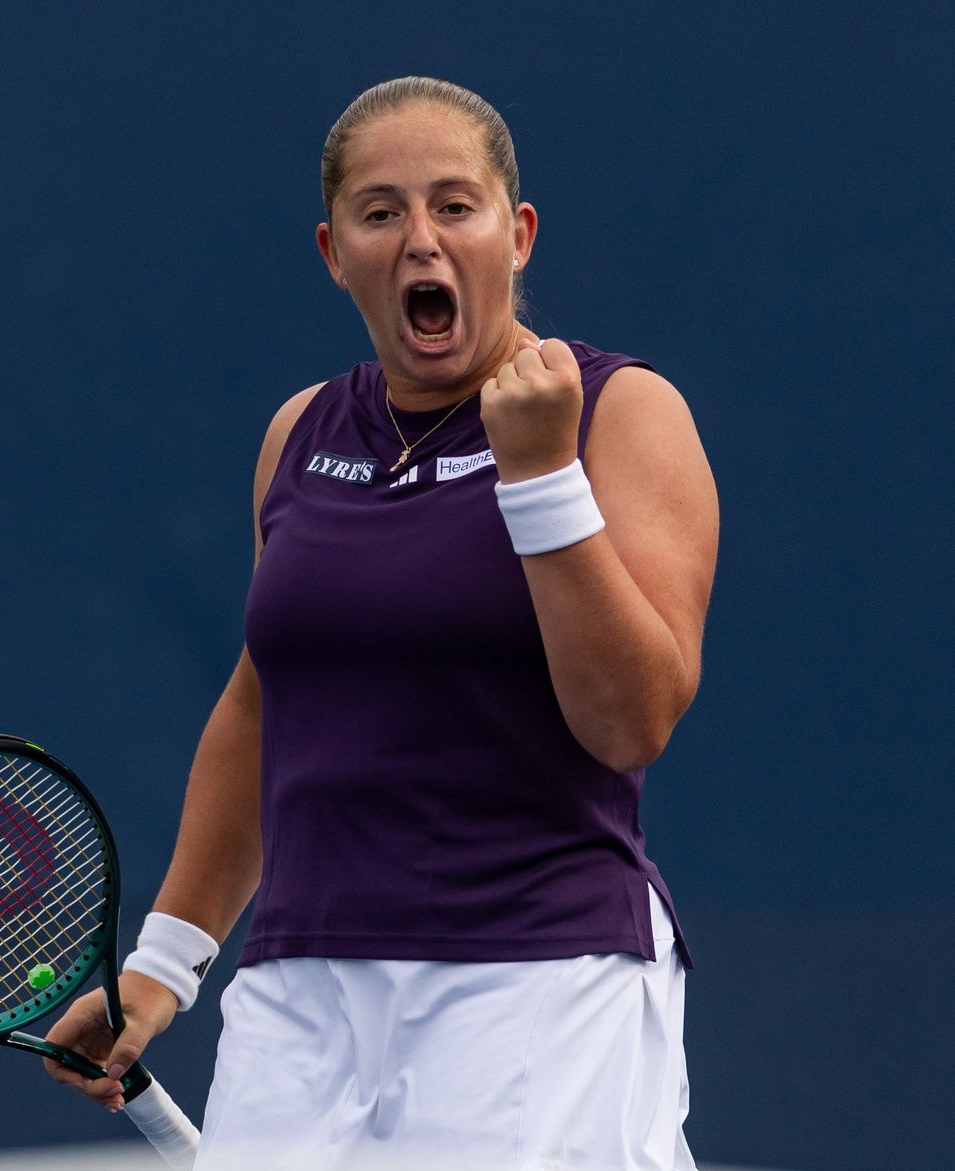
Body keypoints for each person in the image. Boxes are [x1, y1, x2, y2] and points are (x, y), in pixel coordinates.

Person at [44, 76, 718, 1170]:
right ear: (332, 250)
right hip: (299, 991)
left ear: (517, 232)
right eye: (379, 211)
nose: (420, 240)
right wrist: (159, 969)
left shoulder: (619, 414)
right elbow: (264, 708)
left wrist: (540, 476)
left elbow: (629, 720)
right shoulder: (300, 432)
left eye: (454, 205)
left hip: (537, 975)